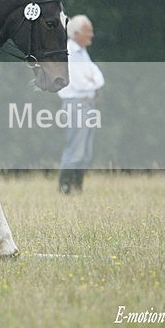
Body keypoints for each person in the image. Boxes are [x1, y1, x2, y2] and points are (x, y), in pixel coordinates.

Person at [57, 15, 104, 194]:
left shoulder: (82, 52)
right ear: (76, 33)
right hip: (75, 104)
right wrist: (91, 81)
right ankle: (66, 187)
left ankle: (77, 187)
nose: (91, 35)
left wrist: (91, 81)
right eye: (88, 31)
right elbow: (79, 83)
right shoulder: (69, 52)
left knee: (86, 151)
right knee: (75, 148)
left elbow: (99, 77)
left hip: (88, 104)